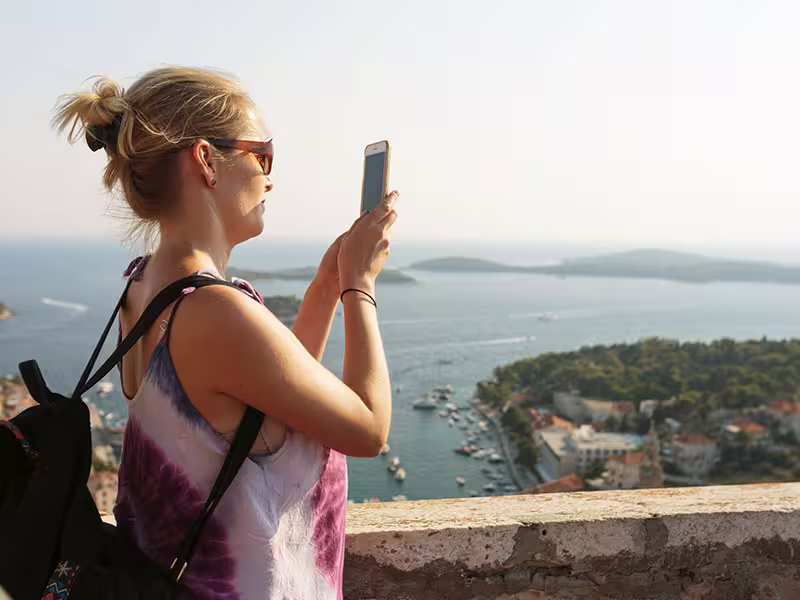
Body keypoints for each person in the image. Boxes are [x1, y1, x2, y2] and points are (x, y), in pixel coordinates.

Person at [53, 67, 398, 599]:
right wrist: (361, 287)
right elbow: (369, 430)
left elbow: (268, 402)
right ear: (207, 160)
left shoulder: (144, 286)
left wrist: (325, 288)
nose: (270, 178)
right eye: (263, 156)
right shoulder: (214, 312)